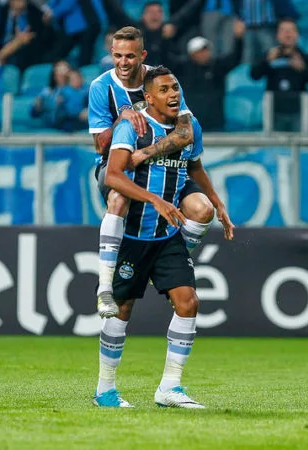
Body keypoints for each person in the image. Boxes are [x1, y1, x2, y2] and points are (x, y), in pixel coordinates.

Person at [93, 66, 233, 408]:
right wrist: (155, 199)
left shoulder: (190, 127)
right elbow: (113, 174)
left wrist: (217, 203)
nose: (173, 95)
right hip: (135, 235)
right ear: (149, 97)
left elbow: (195, 166)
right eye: (166, 90)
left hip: (167, 234)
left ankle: (169, 388)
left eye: (176, 88)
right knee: (121, 311)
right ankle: (105, 391)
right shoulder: (131, 128)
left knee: (189, 302)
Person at [88, 26, 230, 319]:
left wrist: (146, 152)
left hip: (168, 166)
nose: (123, 63)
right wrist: (122, 120)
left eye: (130, 56)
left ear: (142, 55)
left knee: (201, 210)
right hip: (117, 165)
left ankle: (171, 256)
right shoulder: (101, 87)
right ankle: (104, 288)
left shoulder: (163, 81)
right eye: (117, 56)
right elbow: (101, 146)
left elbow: (185, 132)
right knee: (118, 199)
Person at [170, 20, 245, 131]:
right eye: (200, 51)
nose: (204, 54)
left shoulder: (216, 67)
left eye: (206, 50)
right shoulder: (183, 69)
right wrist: (166, 39)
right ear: (192, 54)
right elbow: (165, 59)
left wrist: (238, 39)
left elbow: (235, 59)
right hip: (190, 124)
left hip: (215, 123)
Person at [250, 18, 308, 132]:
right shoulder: (270, 56)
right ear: (277, 35)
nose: (287, 34)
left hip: (298, 111)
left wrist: (303, 69)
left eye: (291, 30)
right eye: (283, 31)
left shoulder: (305, 58)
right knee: (273, 148)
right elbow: (254, 75)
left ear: (297, 35)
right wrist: (266, 61)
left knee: (299, 147)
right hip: (274, 110)